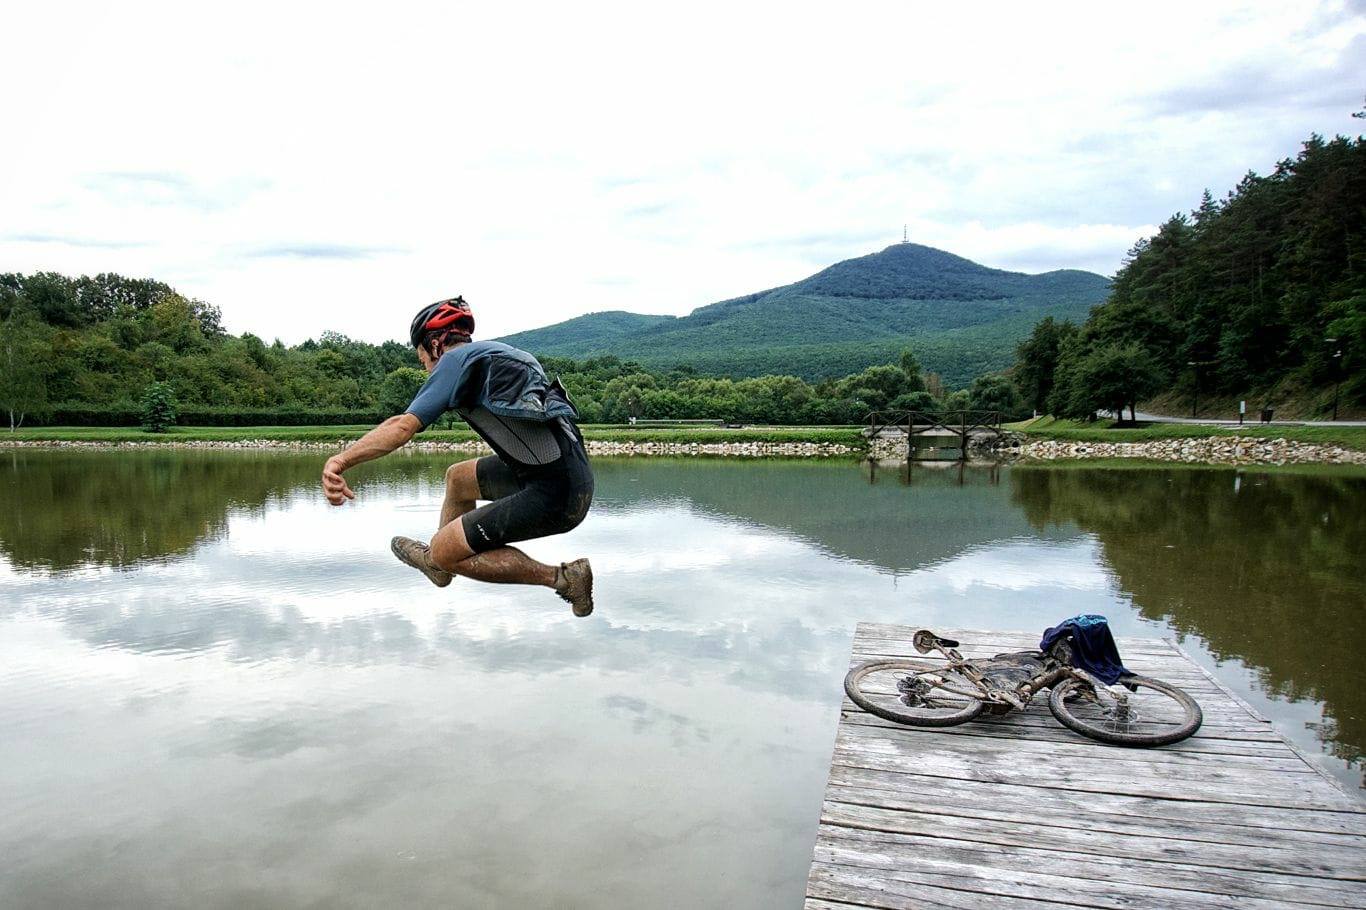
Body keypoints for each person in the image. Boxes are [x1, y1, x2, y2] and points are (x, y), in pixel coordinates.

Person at [320, 296, 595, 616]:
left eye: (421, 357)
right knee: (459, 478)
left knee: (444, 550)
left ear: (435, 345)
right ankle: (439, 565)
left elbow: (402, 426)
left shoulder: (455, 362)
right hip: (568, 477)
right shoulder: (504, 354)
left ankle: (561, 578)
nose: (424, 368)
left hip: (555, 494)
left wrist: (340, 461)